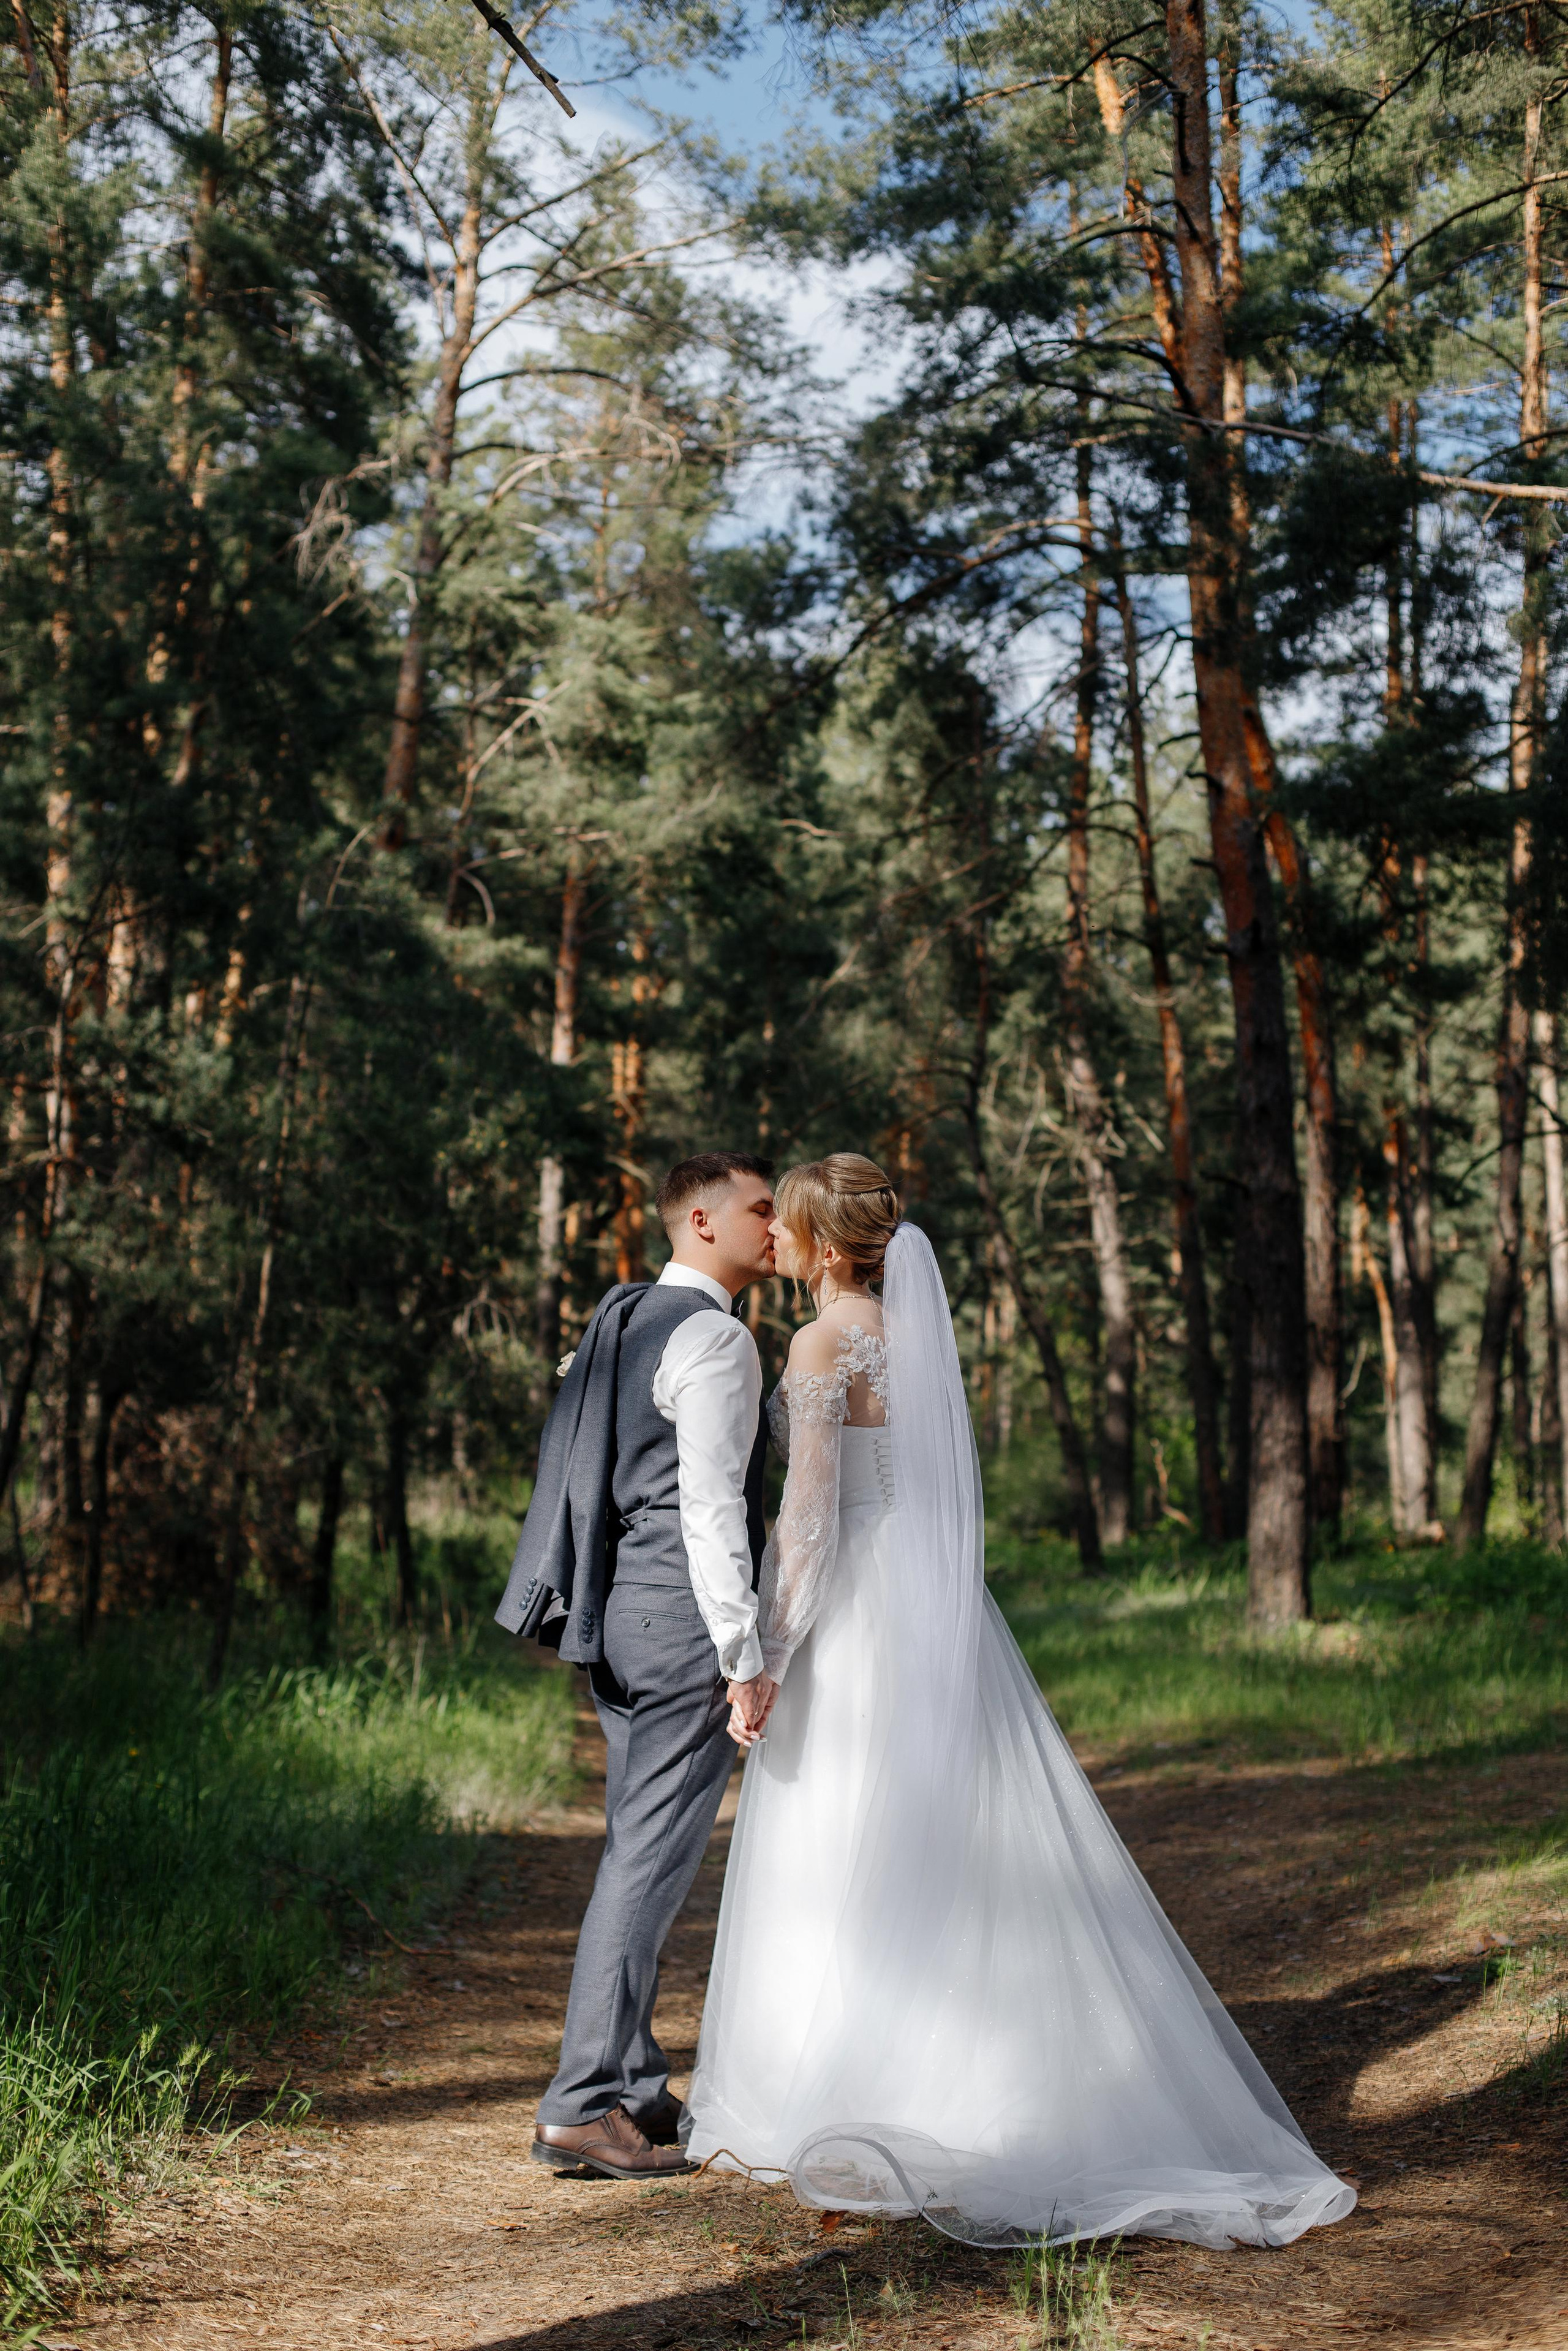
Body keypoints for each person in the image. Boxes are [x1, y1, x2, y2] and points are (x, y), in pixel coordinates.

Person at [682, 1152, 1357, 2251]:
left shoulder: (818, 1340)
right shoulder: (916, 1339)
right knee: (941, 1838)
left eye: (790, 1225)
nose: (778, 1241)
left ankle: (841, 2092)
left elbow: (807, 1521)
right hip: (931, 1606)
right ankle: (973, 2080)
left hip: (855, 1611)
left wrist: (763, 1651)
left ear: (824, 1239)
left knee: (840, 1831)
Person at [494, 1150, 778, 2182]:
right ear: (700, 1222)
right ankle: (578, 2105)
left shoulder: (617, 1322)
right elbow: (708, 1508)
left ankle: (632, 2081)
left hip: (619, 1613)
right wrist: (745, 1653)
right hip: (684, 1620)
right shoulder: (713, 1337)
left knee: (638, 1843)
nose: (777, 1227)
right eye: (760, 1211)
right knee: (647, 1862)